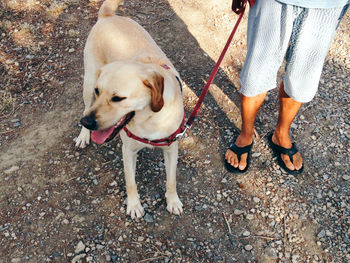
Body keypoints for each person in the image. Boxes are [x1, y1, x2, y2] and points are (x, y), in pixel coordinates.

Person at [225, 0, 349, 174]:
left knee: (302, 81)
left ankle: (281, 135)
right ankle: (246, 134)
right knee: (255, 75)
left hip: (328, 4)